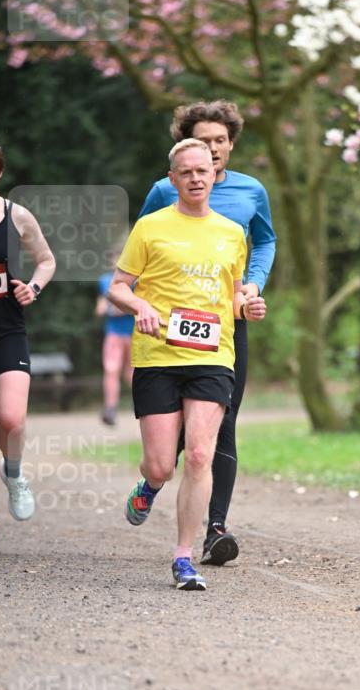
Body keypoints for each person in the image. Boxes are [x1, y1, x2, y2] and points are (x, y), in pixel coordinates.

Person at [108, 138, 266, 590]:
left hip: (213, 356)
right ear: (172, 179)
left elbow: (233, 297)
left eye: (204, 170)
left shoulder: (233, 234)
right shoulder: (151, 227)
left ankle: (183, 558)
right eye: (187, 172)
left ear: (215, 175)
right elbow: (118, 287)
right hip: (158, 356)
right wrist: (140, 306)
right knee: (161, 465)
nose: (196, 178)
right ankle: (150, 487)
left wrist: (248, 307)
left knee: (199, 454)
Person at [139, 99, 275, 567]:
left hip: (225, 323)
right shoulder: (163, 192)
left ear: (232, 144)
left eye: (221, 141)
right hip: (169, 329)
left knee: (222, 425)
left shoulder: (251, 191)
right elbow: (144, 248)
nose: (213, 151)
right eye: (204, 141)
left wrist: (252, 285)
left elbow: (265, 240)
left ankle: (215, 528)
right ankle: (155, 479)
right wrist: (143, 305)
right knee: (174, 430)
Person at [0, 137, 56, 554]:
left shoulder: (17, 214)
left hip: (8, 330)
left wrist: (34, 288)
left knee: (11, 420)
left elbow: (46, 260)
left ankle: (15, 473)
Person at [95, 266, 134, 425]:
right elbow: (101, 307)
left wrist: (123, 307)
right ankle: (110, 409)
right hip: (114, 333)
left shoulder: (137, 280)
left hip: (134, 333)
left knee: (131, 373)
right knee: (111, 370)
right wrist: (106, 308)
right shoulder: (105, 280)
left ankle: (139, 402)